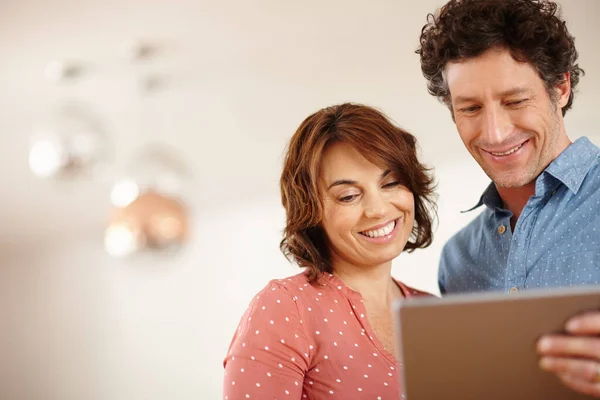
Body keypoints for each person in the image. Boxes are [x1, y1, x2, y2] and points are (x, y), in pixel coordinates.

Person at [417, 0, 600, 396]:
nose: (495, 133)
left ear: (561, 87)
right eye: (470, 108)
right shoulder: (458, 259)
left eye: (515, 101)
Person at [222, 103, 437, 399]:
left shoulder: (432, 312)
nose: (378, 209)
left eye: (391, 183)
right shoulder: (286, 308)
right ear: (311, 211)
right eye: (348, 196)